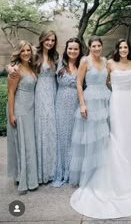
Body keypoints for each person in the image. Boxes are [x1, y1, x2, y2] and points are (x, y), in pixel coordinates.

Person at [69, 36, 131, 219]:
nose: (97, 48)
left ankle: (130, 170)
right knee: (112, 135)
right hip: (113, 101)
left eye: (99, 45)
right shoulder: (106, 64)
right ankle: (105, 171)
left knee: (128, 136)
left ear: (128, 49)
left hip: (127, 101)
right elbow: (85, 81)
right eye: (94, 46)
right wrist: (84, 103)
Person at [7, 41, 38, 194]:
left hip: (31, 109)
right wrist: (12, 114)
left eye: (28, 50)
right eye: (23, 51)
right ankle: (23, 178)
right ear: (18, 53)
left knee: (29, 144)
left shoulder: (30, 67)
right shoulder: (16, 70)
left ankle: (29, 176)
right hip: (20, 110)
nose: (26, 53)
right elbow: (11, 93)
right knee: (23, 144)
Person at [52, 37, 83, 187]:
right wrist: (11, 67)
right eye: (70, 48)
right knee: (62, 137)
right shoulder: (58, 63)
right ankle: (62, 170)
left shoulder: (83, 64)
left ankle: (74, 172)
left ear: (80, 50)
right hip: (61, 104)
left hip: (76, 104)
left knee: (74, 137)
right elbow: (35, 64)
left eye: (75, 49)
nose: (72, 51)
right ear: (66, 49)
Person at [107, 38, 131, 169]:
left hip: (130, 100)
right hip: (116, 100)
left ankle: (129, 166)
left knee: (130, 133)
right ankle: (117, 166)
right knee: (117, 131)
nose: (123, 50)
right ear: (117, 49)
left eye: (125, 47)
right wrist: (115, 85)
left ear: (129, 49)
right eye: (120, 47)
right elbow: (105, 82)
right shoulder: (110, 63)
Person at [34, 29, 59, 184]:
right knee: (43, 127)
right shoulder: (34, 54)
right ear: (42, 40)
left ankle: (52, 169)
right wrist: (11, 68)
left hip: (53, 92)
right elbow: (17, 61)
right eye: (47, 40)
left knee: (52, 129)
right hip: (41, 92)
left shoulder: (55, 56)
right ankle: (42, 170)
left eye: (52, 40)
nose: (50, 42)